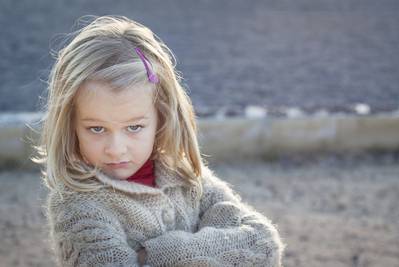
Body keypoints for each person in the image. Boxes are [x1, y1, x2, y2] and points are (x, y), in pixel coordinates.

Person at [35, 15, 285, 267]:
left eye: (134, 127)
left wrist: (155, 256)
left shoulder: (184, 176)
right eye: (97, 128)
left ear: (161, 116)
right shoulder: (77, 207)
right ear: (70, 125)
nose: (116, 149)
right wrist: (217, 244)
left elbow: (264, 245)